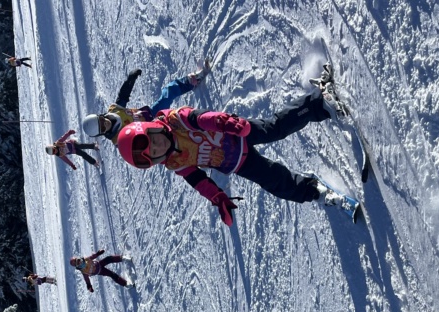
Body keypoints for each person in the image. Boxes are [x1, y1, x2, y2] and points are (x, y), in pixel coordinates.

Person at [113, 69, 359, 226]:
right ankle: (315, 191)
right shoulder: (175, 163)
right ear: (155, 161)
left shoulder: (172, 120)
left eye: (153, 140)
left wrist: (222, 121)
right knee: (273, 181)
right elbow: (198, 180)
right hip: (234, 162)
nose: (159, 145)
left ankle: (319, 102)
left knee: (275, 128)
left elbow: (197, 117)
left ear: (151, 129)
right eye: (155, 152)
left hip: (234, 133)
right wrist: (218, 198)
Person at [81, 60, 211, 144]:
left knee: (168, 93)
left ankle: (191, 82)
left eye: (102, 120)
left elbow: (123, 96)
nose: (106, 123)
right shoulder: (119, 138)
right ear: (102, 133)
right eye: (103, 127)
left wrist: (130, 79)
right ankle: (205, 138)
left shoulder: (114, 111)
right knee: (179, 125)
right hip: (155, 128)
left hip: (151, 113)